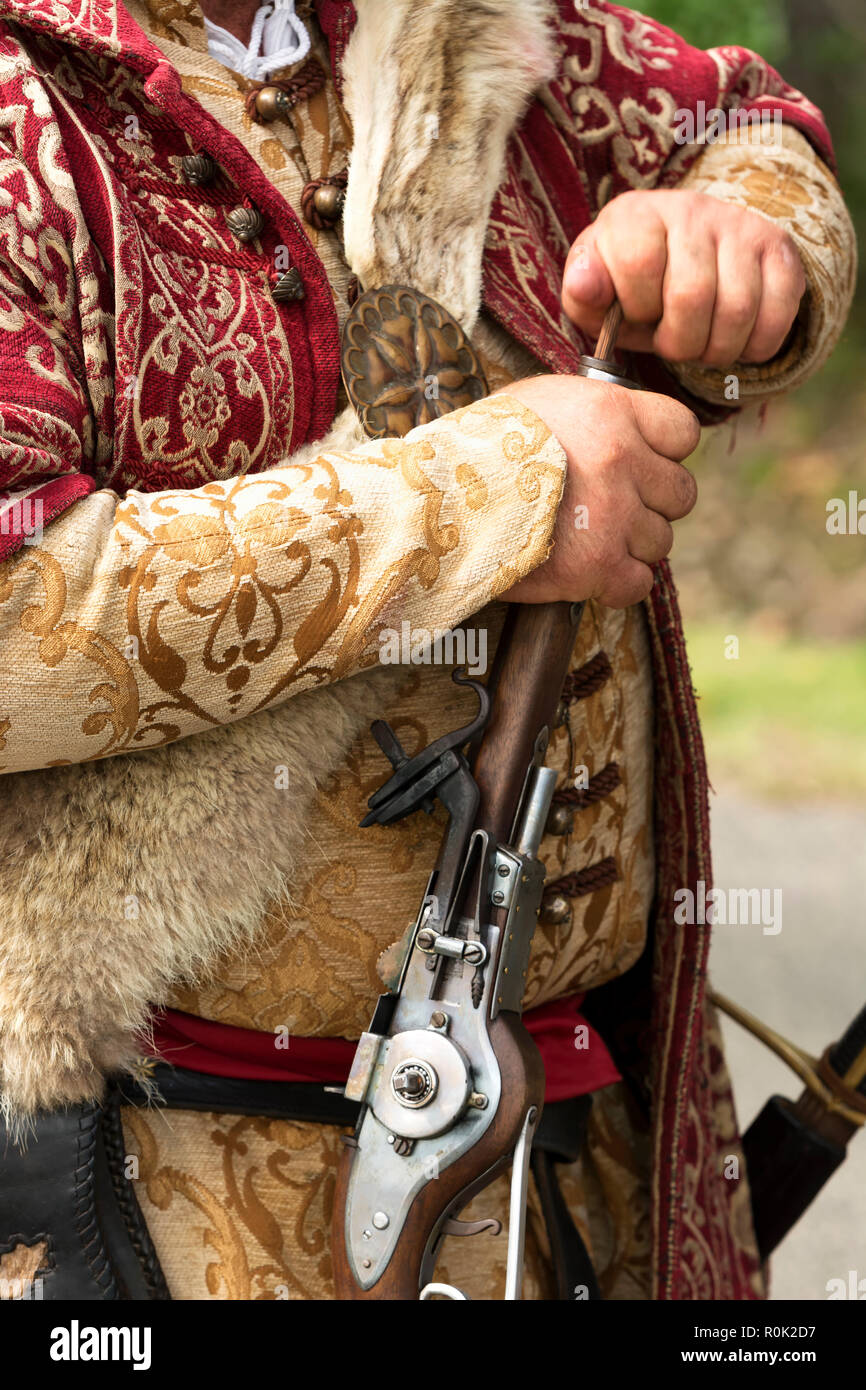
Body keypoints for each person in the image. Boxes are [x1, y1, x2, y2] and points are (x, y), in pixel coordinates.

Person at [0, 0, 855, 1301]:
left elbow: (741, 122)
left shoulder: (469, 18)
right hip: (164, 1203)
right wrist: (491, 496)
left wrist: (729, 239)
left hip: (572, 1164)